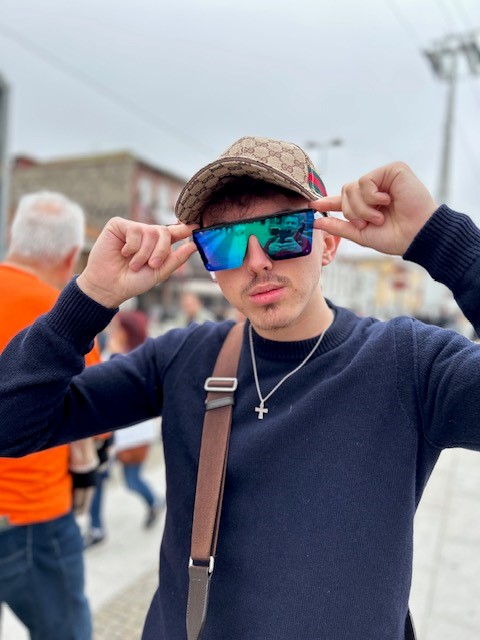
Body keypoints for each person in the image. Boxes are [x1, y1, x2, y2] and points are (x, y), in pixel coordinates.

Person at [0, 135, 479, 640]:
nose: (256, 261)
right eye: (226, 243)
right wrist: (91, 297)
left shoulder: (409, 363)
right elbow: (12, 424)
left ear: (329, 242)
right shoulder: (184, 358)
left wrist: (444, 242)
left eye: (283, 232)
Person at [0, 191, 101, 640]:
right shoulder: (63, 318)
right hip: (30, 518)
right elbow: (93, 420)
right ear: (70, 255)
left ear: (13, 235)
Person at [84, 311, 164, 548]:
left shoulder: (129, 356)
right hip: (121, 434)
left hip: (127, 435)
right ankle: (96, 527)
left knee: (128, 480)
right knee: (105, 480)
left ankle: (154, 502)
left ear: (126, 331)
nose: (113, 330)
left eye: (118, 326)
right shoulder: (122, 352)